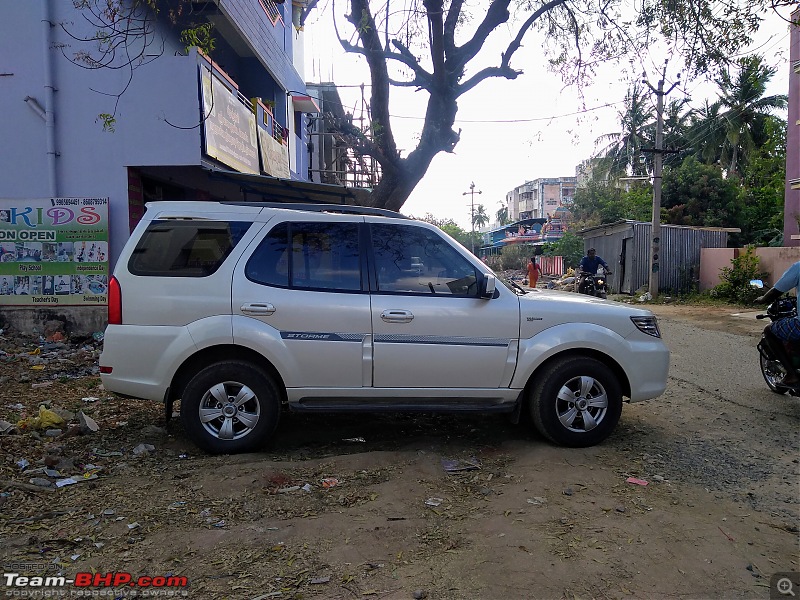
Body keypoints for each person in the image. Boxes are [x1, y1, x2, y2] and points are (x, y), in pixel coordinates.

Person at [755, 261, 800, 388]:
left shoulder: (798, 267)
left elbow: (777, 290)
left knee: (769, 330)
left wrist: (762, 299)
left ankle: (792, 375)